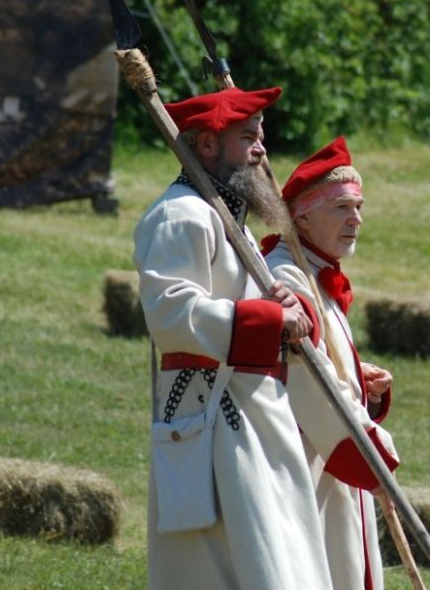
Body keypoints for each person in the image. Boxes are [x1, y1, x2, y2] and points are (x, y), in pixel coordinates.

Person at [133, 85, 333, 589]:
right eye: (248, 138)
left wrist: (284, 309)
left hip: (252, 415)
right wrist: (266, 321)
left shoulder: (229, 220)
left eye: (259, 136)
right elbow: (170, 311)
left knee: (279, 556)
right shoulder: (180, 215)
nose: (262, 149)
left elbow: (250, 301)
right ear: (206, 146)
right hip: (212, 420)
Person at [262, 136, 400, 590]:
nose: (356, 219)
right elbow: (304, 378)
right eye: (341, 208)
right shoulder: (288, 274)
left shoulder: (317, 272)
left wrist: (358, 379)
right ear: (301, 215)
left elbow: (319, 360)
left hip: (331, 463)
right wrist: (368, 451)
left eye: (359, 207)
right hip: (309, 465)